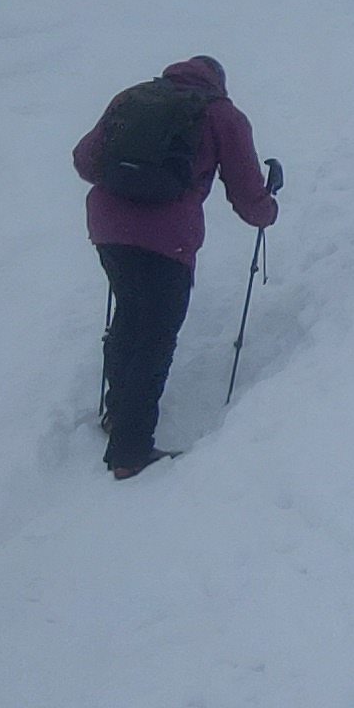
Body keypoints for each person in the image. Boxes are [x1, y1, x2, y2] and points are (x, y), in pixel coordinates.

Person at [73, 55, 278, 478]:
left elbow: (85, 161)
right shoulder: (222, 115)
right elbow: (245, 194)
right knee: (155, 337)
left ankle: (117, 413)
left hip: (109, 229)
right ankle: (130, 453)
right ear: (218, 82)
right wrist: (268, 210)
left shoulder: (132, 98)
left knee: (131, 316)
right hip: (168, 238)